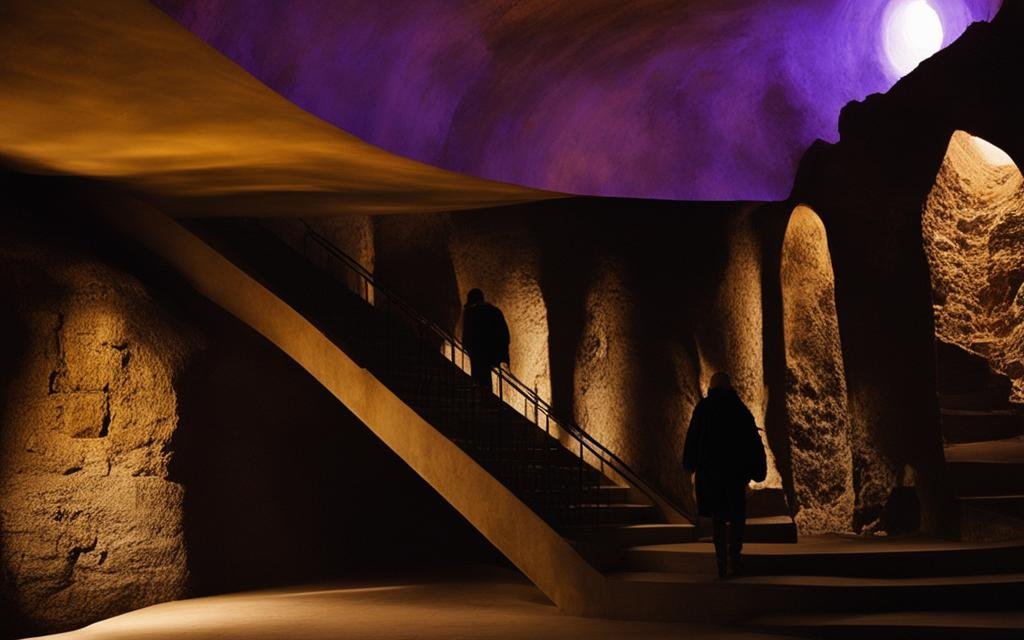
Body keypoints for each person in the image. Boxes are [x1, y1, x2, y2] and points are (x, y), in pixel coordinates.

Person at [682, 372, 767, 578]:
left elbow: (693, 437)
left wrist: (690, 464)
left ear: (711, 387)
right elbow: (751, 443)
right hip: (735, 475)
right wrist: (757, 470)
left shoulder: (703, 409)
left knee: (718, 519)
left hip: (711, 476)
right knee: (737, 517)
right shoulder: (739, 410)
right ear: (729, 387)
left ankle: (721, 561)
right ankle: (734, 556)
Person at [461, 288, 510, 392]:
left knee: (479, 376)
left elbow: (468, 333)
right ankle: (486, 394)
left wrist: (465, 345)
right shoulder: (495, 311)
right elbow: (504, 334)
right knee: (486, 376)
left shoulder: (471, 313)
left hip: (477, 351)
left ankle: (481, 393)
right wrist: (502, 354)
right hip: (491, 351)